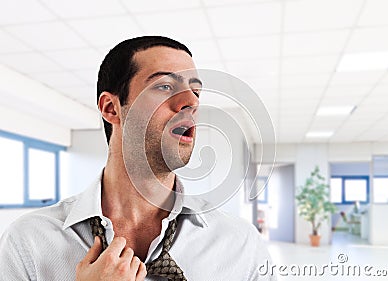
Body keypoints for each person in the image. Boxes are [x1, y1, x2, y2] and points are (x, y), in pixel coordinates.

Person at [0, 36, 275, 281]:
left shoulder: (240, 245)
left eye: (196, 91)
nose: (191, 101)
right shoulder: (28, 242)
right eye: (165, 86)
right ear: (111, 108)